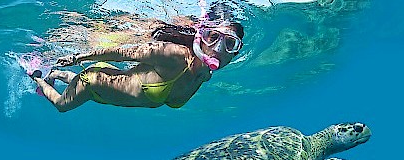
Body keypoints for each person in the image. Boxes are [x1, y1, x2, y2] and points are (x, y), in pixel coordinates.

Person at [29, 21, 244, 112]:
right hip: (92, 83)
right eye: (213, 37)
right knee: (61, 105)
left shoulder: (204, 75)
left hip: (108, 81)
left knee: (81, 80)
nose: (218, 49)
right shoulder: (173, 55)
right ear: (201, 37)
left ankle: (55, 74)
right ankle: (38, 77)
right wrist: (78, 58)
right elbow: (121, 52)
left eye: (230, 44)